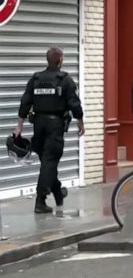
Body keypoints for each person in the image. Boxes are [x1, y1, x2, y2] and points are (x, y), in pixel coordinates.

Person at [14, 47, 85, 214]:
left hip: (38, 125)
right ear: (60, 60)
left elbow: (25, 102)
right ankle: (40, 200)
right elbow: (74, 103)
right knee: (49, 161)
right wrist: (81, 123)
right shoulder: (65, 80)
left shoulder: (36, 78)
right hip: (55, 125)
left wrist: (19, 126)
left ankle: (58, 192)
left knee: (47, 160)